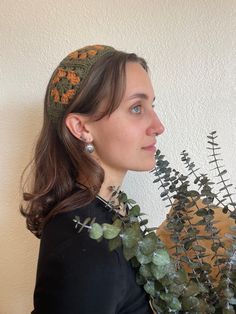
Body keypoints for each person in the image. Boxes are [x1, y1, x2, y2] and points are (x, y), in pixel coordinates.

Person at [21, 44, 165, 314]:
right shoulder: (83, 244)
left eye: (151, 106)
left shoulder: (107, 213)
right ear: (81, 127)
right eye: (136, 108)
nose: (158, 126)